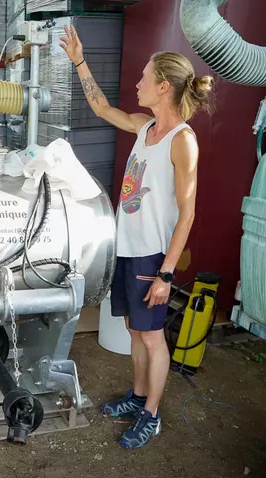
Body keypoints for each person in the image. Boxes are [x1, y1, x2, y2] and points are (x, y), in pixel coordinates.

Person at [59, 26, 214, 449]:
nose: (137, 83)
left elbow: (188, 214)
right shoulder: (144, 127)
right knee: (132, 327)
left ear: (163, 87)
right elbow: (101, 107)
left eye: (144, 78)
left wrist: (166, 273)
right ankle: (138, 396)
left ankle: (152, 415)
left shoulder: (183, 142)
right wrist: (79, 60)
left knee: (151, 335)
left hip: (151, 257)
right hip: (126, 250)